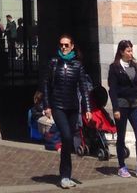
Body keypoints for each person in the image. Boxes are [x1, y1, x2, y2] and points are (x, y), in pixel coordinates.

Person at [41, 33, 91, 190]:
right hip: (58, 106)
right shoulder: (53, 63)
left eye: (66, 45)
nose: (63, 47)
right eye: (61, 45)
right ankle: (64, 176)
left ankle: (66, 175)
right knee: (67, 136)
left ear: (72, 46)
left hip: (73, 107)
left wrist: (88, 108)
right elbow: (46, 85)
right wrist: (47, 105)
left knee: (68, 141)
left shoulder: (78, 65)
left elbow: (83, 87)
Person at [108, 40, 137, 180]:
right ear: (121, 52)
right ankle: (122, 166)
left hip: (134, 106)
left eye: (131, 50)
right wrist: (115, 108)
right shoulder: (114, 68)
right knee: (121, 136)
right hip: (121, 106)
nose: (130, 53)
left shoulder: (135, 67)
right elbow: (113, 90)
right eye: (128, 51)